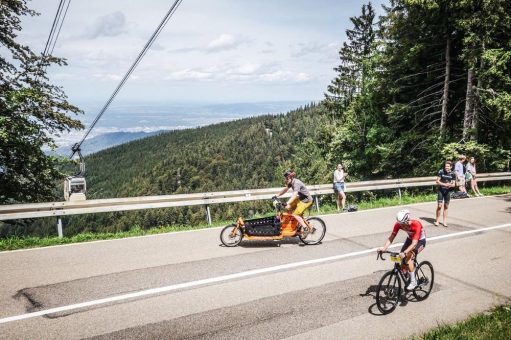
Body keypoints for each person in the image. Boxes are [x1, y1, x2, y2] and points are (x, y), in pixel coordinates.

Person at [378, 209, 426, 290]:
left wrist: (405, 252)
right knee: (401, 258)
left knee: (408, 258)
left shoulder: (416, 224)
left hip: (420, 241)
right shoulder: (398, 224)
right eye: (401, 224)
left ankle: (413, 282)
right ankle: (407, 274)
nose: (402, 226)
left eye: (403, 224)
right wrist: (384, 248)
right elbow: (391, 237)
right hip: (410, 239)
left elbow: (414, 243)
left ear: (408, 220)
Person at [435, 160, 456, 227]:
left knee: (446, 206)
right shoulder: (441, 171)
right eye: (445, 166)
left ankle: (444, 221)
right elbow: (437, 181)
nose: (446, 167)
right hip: (441, 190)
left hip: (447, 191)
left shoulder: (453, 173)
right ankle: (437, 220)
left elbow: (454, 184)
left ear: (451, 167)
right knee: (439, 206)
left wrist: (450, 185)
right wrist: (444, 184)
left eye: (448, 166)